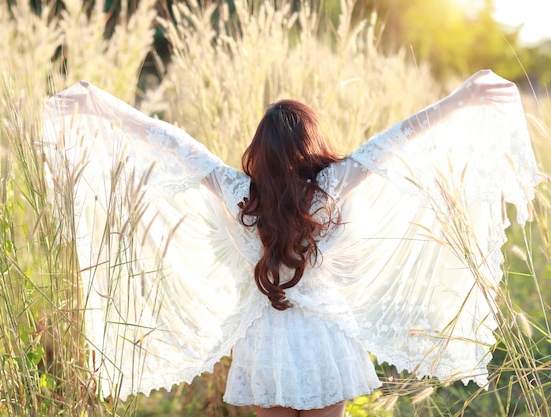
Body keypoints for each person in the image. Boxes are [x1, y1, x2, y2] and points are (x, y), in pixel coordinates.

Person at [41, 70, 539, 416]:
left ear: (260, 150)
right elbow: (399, 138)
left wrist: (102, 107)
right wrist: (461, 99)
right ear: (310, 145)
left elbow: (170, 141)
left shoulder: (240, 195)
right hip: (324, 337)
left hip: (265, 340)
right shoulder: (330, 188)